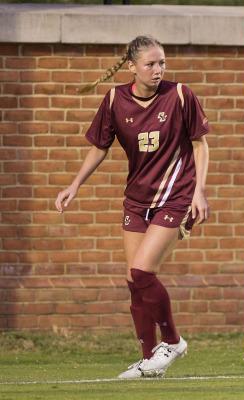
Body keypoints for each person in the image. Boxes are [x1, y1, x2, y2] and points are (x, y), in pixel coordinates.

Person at [55, 35, 210, 379]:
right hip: (137, 199)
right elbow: (99, 147)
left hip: (176, 194)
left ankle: (172, 341)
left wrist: (199, 192)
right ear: (132, 67)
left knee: (142, 272)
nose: (158, 70)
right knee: (132, 280)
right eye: (150, 64)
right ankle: (147, 359)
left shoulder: (180, 95)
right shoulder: (114, 100)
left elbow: (200, 146)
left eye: (162, 63)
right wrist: (75, 184)